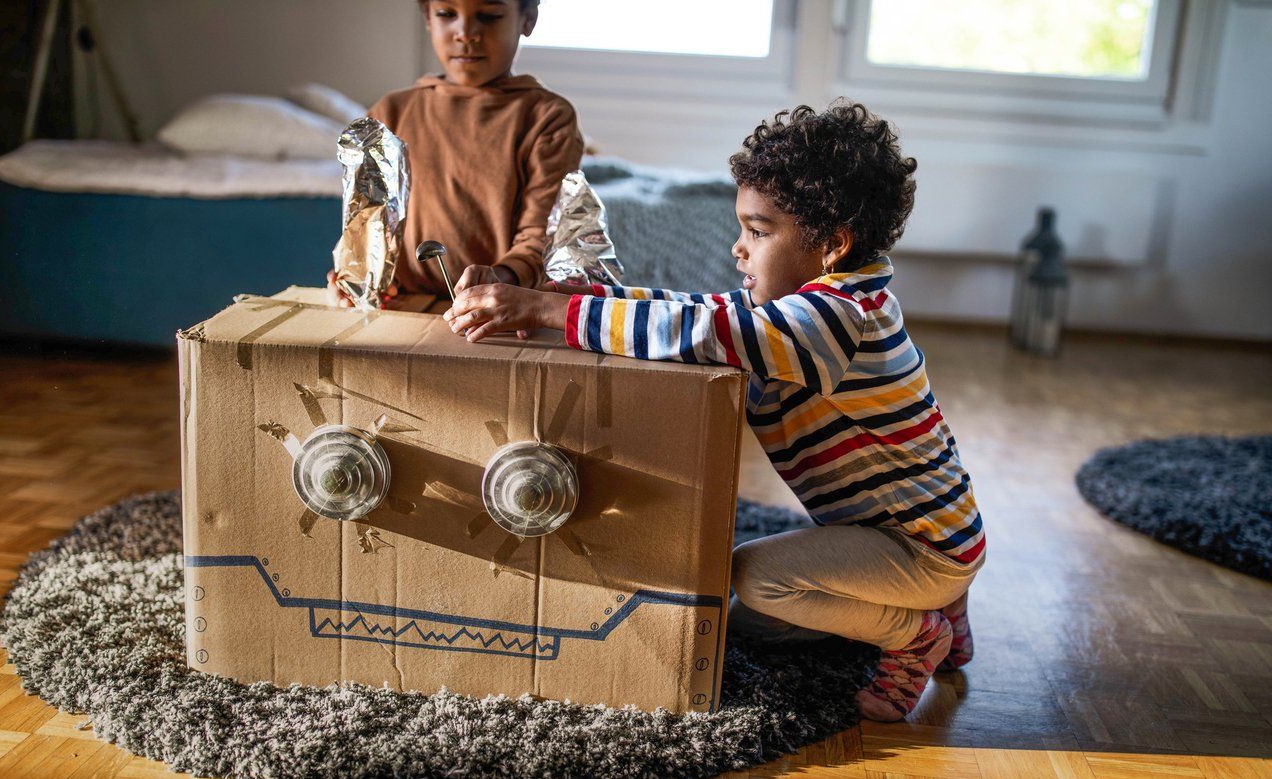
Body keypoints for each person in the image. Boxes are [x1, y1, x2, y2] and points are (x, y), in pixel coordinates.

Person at [442, 101, 986, 722]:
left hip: (920, 548)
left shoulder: (832, 321)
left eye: (758, 231)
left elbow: (703, 331)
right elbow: (694, 306)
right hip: (931, 530)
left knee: (757, 581)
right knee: (753, 622)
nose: (738, 249)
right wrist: (586, 297)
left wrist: (545, 314)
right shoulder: (824, 300)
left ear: (832, 245)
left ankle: (916, 637)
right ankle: (947, 605)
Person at [328, 0, 584, 307]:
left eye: (489, 16)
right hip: (404, 307)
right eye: (447, 14)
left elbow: (541, 239)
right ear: (427, 17)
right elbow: (367, 229)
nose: (465, 33)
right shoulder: (390, 114)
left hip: (497, 311)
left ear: (527, 19)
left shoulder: (546, 118)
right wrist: (354, 275)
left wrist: (500, 278)